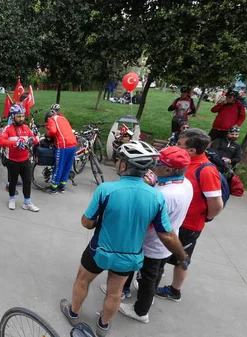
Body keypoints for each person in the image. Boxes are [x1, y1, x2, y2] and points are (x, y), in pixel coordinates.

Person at [59, 140, 188, 337]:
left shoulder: (106, 190)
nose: (118, 163)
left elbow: (87, 222)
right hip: (130, 255)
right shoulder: (156, 197)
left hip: (99, 250)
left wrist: (96, 221)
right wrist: (182, 256)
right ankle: (103, 325)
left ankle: (74, 313)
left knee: (82, 280)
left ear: (125, 165)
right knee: (115, 292)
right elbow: (167, 235)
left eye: (120, 160)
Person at [115, 146, 194, 324]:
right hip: (165, 245)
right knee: (157, 271)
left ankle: (140, 311)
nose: (154, 166)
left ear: (169, 170)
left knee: (147, 279)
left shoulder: (162, 195)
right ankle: (137, 294)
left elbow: (145, 221)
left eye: (159, 163)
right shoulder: (184, 184)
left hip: (152, 244)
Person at [156, 128, 224, 302]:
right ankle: (153, 280)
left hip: (188, 225)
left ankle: (174, 290)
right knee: (163, 255)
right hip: (174, 220)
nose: (176, 146)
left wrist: (206, 217)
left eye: (180, 144)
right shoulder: (185, 163)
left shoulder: (206, 171)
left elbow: (216, 204)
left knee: (180, 258)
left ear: (192, 150)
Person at [0, 104, 39, 212]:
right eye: (18, 116)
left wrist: (31, 140)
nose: (21, 119)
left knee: (27, 182)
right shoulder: (8, 128)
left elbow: (35, 139)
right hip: (12, 160)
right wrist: (14, 143)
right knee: (13, 182)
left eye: (22, 116)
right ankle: (12, 199)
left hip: (25, 160)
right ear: (12, 117)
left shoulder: (26, 128)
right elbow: (0, 141)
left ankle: (27, 203)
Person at [44, 110, 77, 194]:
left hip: (63, 145)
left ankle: (53, 188)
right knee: (67, 166)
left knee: (59, 166)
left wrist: (47, 134)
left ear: (48, 117)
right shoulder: (63, 118)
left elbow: (53, 131)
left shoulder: (52, 119)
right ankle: (62, 187)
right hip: (73, 144)